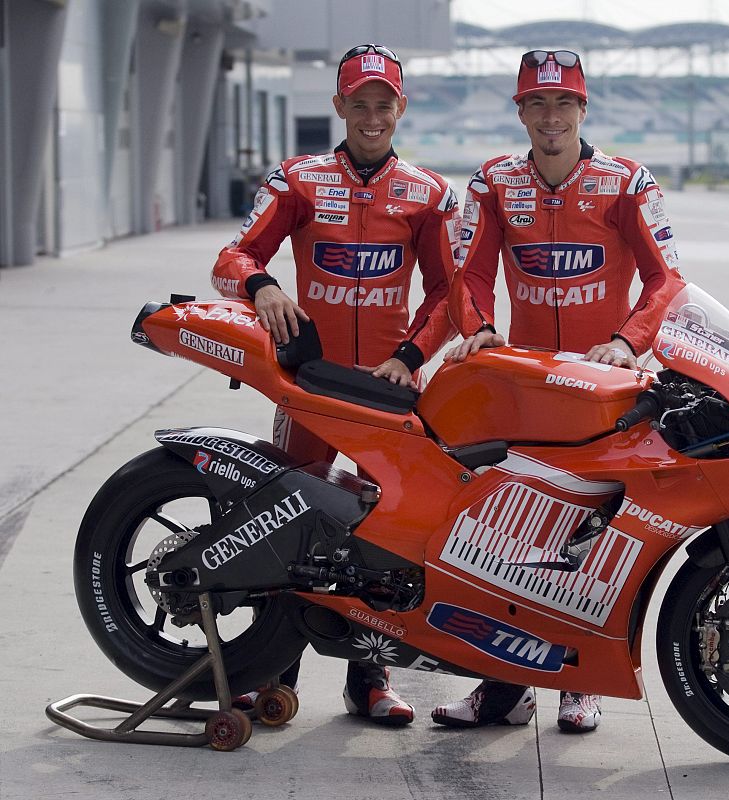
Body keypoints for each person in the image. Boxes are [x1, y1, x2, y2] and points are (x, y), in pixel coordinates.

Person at [434, 49, 686, 733]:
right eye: (537, 104)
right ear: (521, 111)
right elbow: (470, 273)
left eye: (564, 103)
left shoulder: (627, 180)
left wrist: (630, 343)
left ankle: (581, 683)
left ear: (583, 108)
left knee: (593, 534)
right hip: (523, 384)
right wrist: (480, 329)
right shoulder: (492, 181)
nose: (552, 117)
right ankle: (500, 687)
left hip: (606, 388)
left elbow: (667, 280)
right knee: (497, 528)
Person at [211, 43, 460, 726]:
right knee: (285, 526)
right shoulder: (297, 179)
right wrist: (260, 287)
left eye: (384, 104)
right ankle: (266, 671)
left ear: (400, 108)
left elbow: (449, 292)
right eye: (360, 103)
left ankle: (369, 678)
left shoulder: (431, 193)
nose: (372, 115)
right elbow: (231, 257)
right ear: (339, 107)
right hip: (308, 384)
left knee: (386, 534)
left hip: (389, 390)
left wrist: (410, 357)